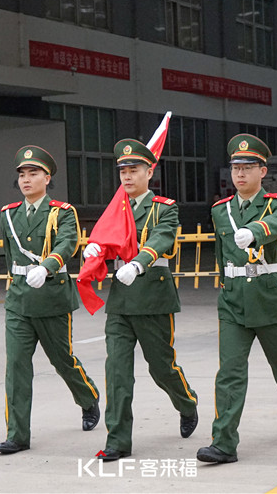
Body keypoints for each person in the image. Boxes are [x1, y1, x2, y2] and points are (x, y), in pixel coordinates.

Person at [197, 134, 277, 465]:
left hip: (269, 297)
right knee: (230, 373)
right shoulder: (221, 210)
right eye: (236, 168)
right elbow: (221, 254)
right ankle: (223, 443)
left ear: (262, 171)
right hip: (234, 300)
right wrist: (225, 287)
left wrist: (256, 231)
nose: (240, 174)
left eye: (248, 168)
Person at [85, 138, 198, 462]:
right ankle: (118, 440)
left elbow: (162, 238)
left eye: (134, 170)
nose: (127, 176)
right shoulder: (115, 210)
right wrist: (96, 250)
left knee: (161, 368)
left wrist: (138, 263)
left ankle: (186, 403)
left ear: (149, 172)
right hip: (121, 301)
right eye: (123, 171)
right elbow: (108, 241)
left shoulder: (165, 207)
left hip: (153, 298)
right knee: (117, 372)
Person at [0, 145, 100, 455]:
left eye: (33, 173)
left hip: (52, 297)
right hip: (19, 300)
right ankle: (17, 435)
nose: (26, 180)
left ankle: (88, 397)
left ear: (47, 178)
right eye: (22, 175)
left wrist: (47, 266)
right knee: (16, 366)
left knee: (62, 360)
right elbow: (10, 255)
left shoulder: (62, 212)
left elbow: (68, 242)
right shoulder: (8, 214)